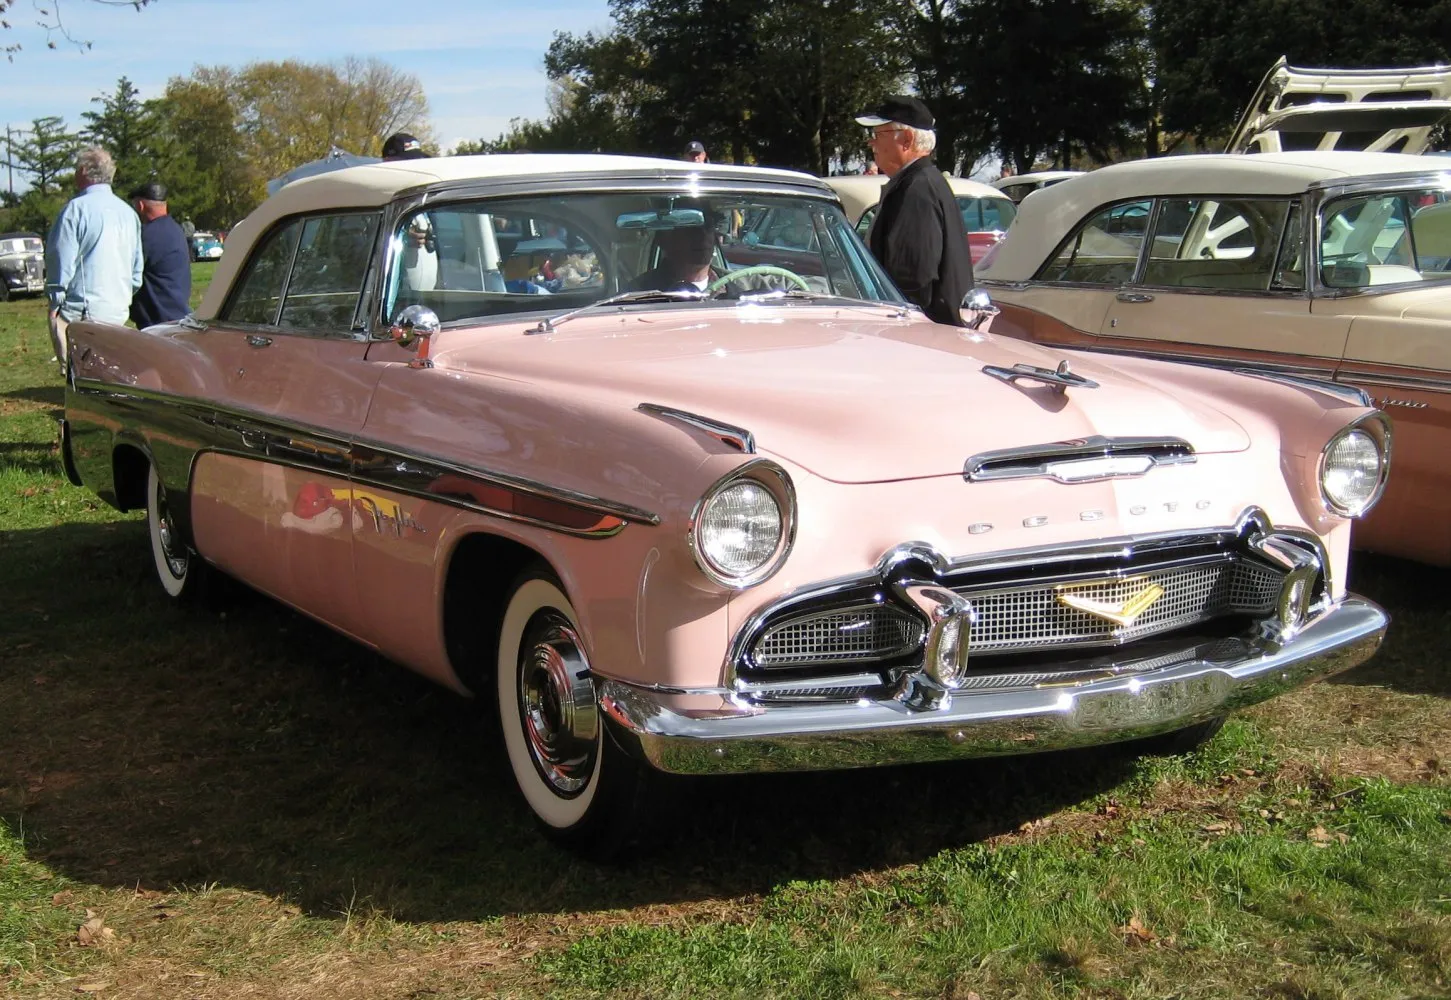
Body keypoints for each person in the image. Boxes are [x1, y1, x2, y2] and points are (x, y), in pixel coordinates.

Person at [855, 95, 973, 326]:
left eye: (878, 134)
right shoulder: (921, 181)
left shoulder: (916, 189)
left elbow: (912, 279)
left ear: (907, 139)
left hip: (921, 331)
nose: (871, 143)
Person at [44, 146, 143, 374]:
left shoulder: (75, 210)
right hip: (118, 308)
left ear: (84, 171)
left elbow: (60, 260)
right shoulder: (128, 213)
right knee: (111, 373)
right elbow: (136, 271)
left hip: (82, 310)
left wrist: (55, 301)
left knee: (81, 375)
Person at [128, 181, 192, 329]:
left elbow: (126, 270)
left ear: (140, 205)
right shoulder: (175, 229)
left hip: (157, 321)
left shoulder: (147, 235)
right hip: (177, 313)